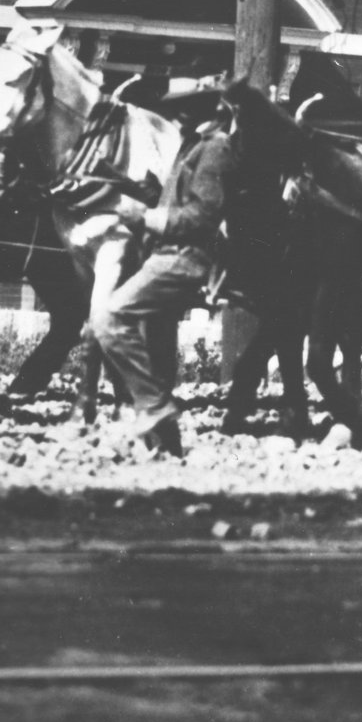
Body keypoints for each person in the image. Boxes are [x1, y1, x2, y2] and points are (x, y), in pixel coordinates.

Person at [88, 84, 241, 458]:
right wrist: (131, 187)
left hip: (183, 258)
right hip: (167, 253)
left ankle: (154, 407)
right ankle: (166, 440)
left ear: (203, 108)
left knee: (109, 317)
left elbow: (204, 215)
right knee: (153, 346)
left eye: (184, 107)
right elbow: (173, 200)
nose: (176, 114)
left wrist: (147, 217)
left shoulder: (214, 148)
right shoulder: (192, 145)